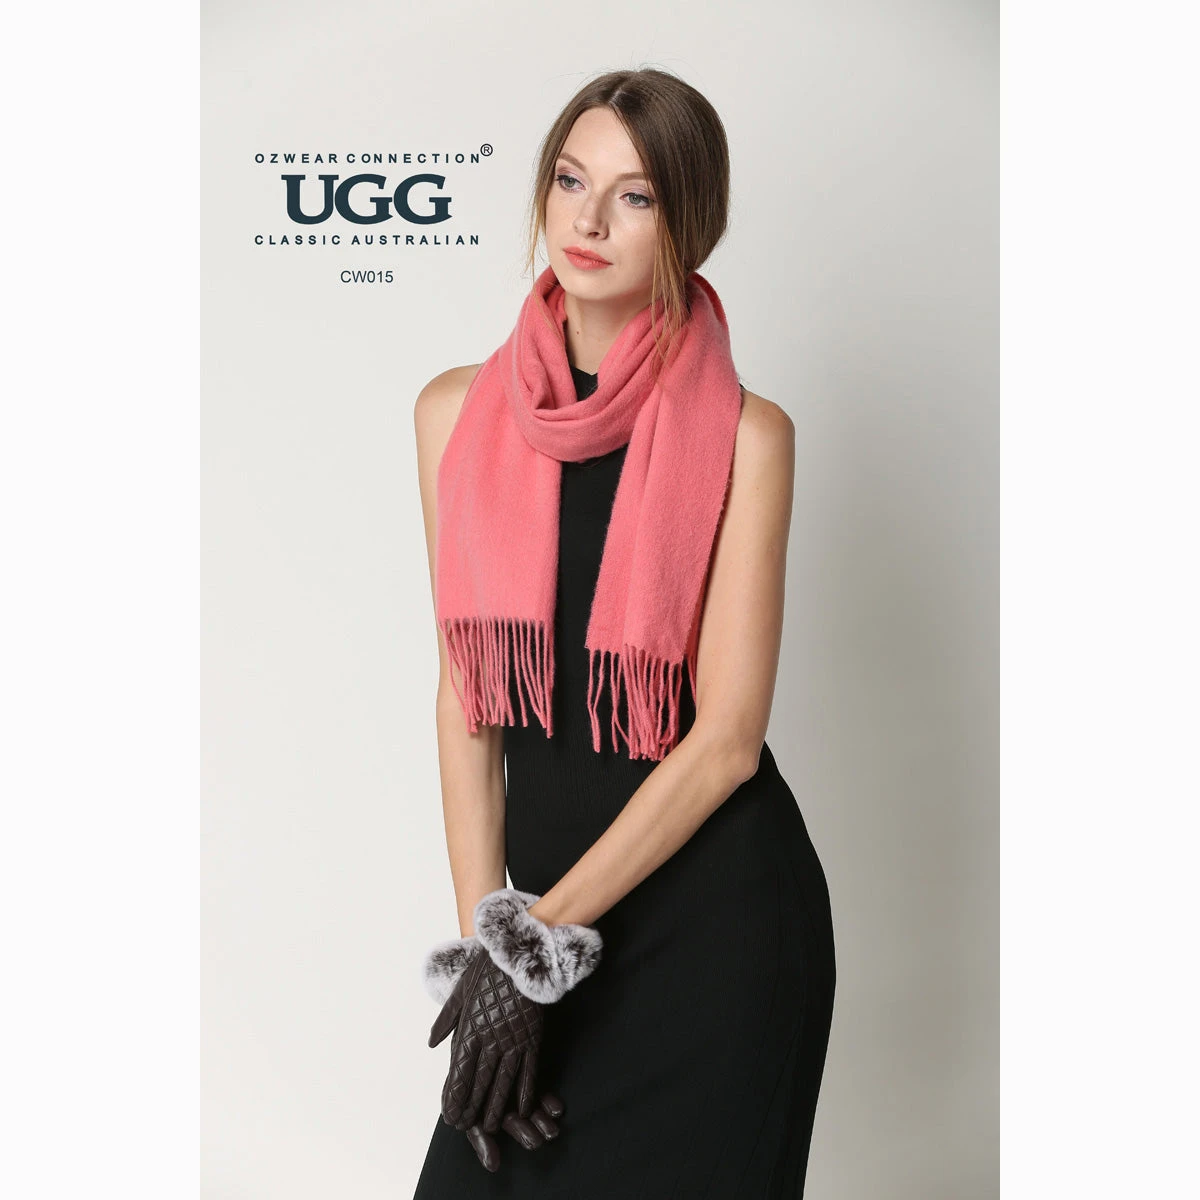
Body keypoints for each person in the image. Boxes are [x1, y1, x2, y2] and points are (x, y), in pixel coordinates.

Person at [411, 67, 836, 1198]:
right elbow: (466, 698)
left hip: (716, 939)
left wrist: (533, 947)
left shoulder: (748, 438)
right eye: (570, 180)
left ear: (689, 222)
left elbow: (726, 741)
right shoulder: (454, 413)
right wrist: (496, 959)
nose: (589, 221)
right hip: (548, 931)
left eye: (635, 196)